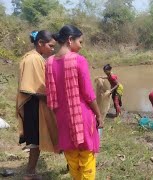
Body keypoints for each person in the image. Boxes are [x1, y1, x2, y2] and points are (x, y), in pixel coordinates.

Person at [45, 25, 102, 180]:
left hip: (62, 119)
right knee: (86, 159)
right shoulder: (79, 60)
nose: (81, 46)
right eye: (80, 42)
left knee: (72, 159)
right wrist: (99, 115)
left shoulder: (49, 62)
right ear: (70, 40)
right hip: (81, 117)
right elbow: (89, 94)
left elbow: (51, 96)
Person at [16, 30, 58, 180]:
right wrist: (54, 100)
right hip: (33, 104)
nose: (52, 49)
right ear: (40, 43)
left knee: (36, 140)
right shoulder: (33, 59)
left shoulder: (36, 57)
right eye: (51, 46)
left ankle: (31, 172)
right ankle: (30, 173)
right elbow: (30, 88)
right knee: (35, 140)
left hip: (36, 103)